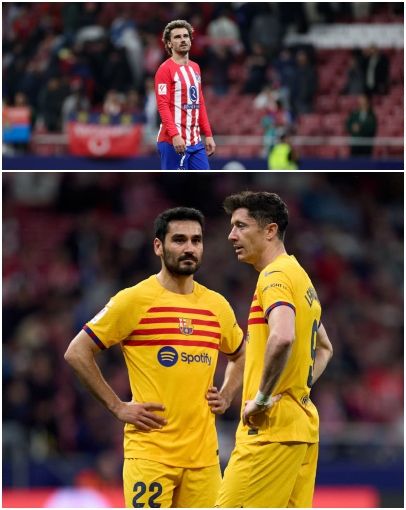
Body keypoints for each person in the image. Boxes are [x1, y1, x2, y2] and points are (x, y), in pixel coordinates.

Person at [64, 207, 244, 508]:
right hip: (151, 455)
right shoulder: (133, 300)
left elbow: (240, 354)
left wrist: (226, 395)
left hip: (204, 460)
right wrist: (117, 406)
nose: (189, 248)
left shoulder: (217, 305)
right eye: (179, 240)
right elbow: (76, 351)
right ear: (158, 246)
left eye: (196, 241)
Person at [217, 191, 334, 507]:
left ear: (269, 230)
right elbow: (324, 347)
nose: (232, 235)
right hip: (302, 430)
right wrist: (297, 387)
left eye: (241, 226)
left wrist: (264, 397)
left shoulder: (275, 276)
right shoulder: (301, 278)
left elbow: (282, 337)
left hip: (269, 432)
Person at [155, 20, 216, 170]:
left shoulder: (195, 68)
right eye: (177, 37)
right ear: (169, 44)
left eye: (185, 36)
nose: (183, 39)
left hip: (196, 143)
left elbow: (199, 103)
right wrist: (175, 135)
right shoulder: (164, 70)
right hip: (172, 142)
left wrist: (208, 134)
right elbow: (162, 106)